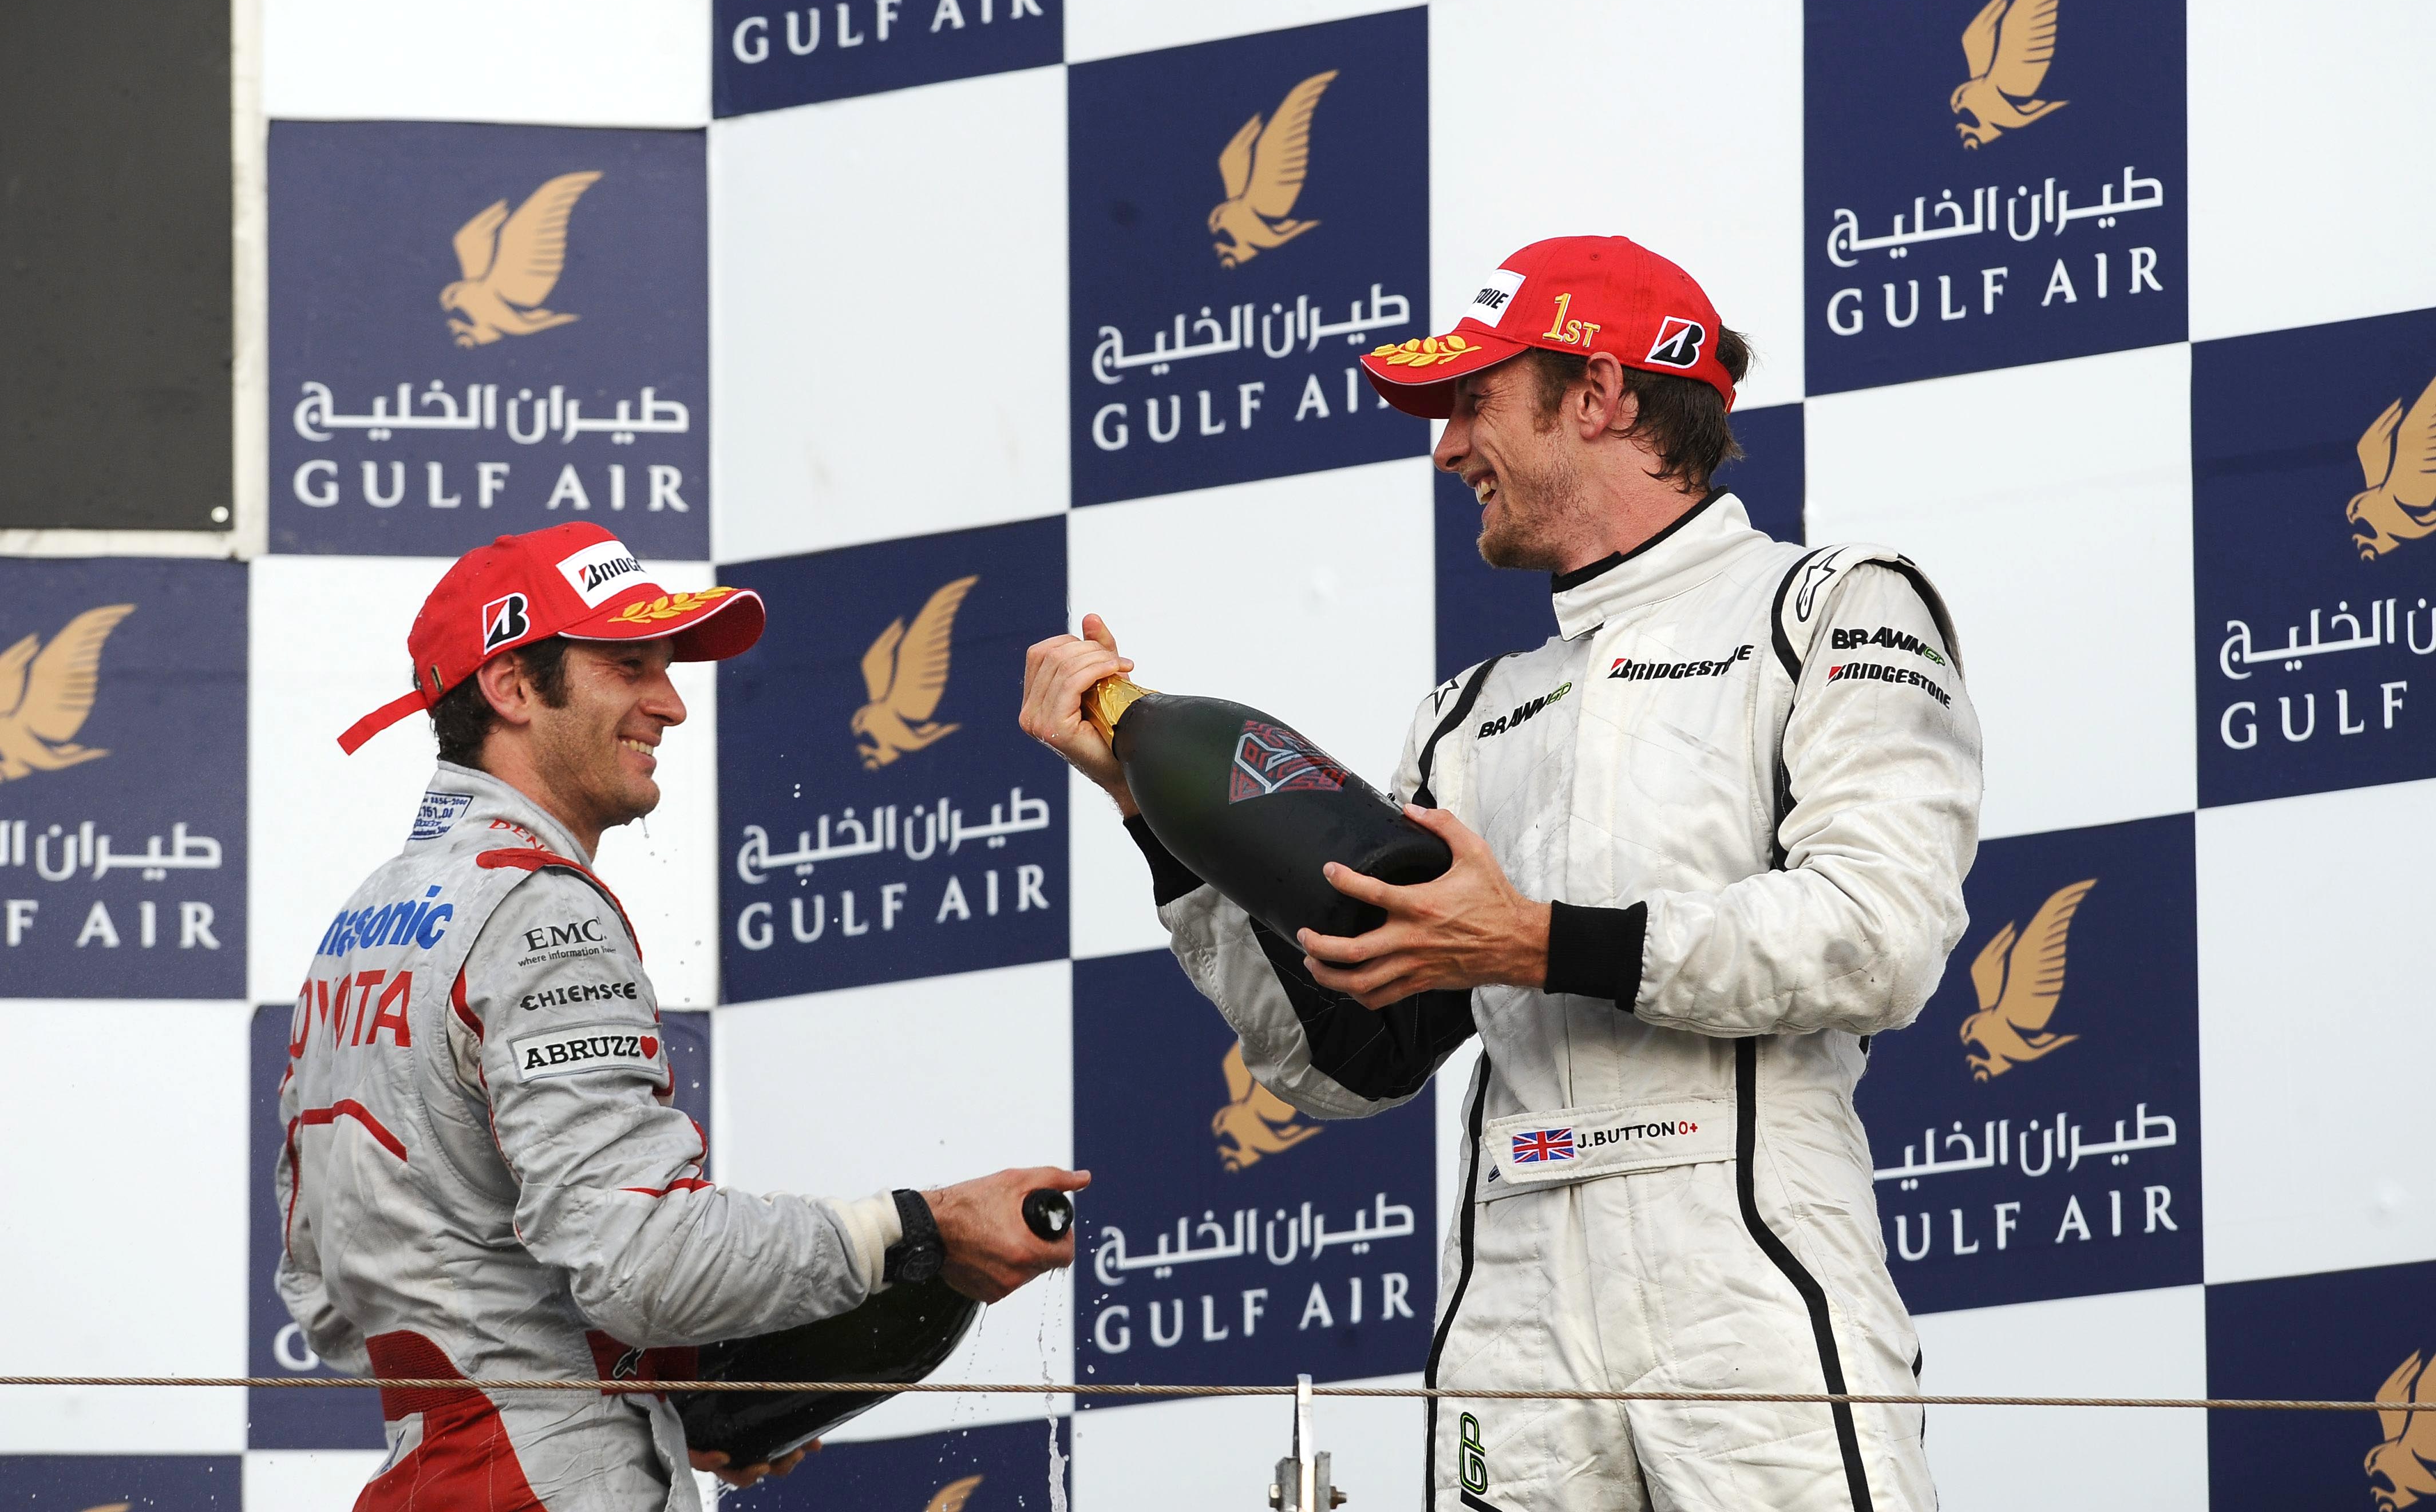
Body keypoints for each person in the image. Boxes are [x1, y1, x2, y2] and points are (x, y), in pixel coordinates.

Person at [1021, 236, 1979, 1511]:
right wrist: (1155, 817)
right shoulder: (1468, 717)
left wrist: (1534, 941)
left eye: (1474, 400)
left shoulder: (1826, 607)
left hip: (1749, 1282)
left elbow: (1879, 933)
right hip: (1511, 1312)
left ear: (1599, 394)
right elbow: (1347, 1063)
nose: (1448, 449)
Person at [283, 522, 1086, 1511]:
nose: (670, 704)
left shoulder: (366, 920)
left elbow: (325, 1294)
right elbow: (639, 1262)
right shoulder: (537, 908)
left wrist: (663, 1397)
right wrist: (923, 1228)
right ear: (511, 686)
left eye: (665, 669)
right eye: (628, 667)